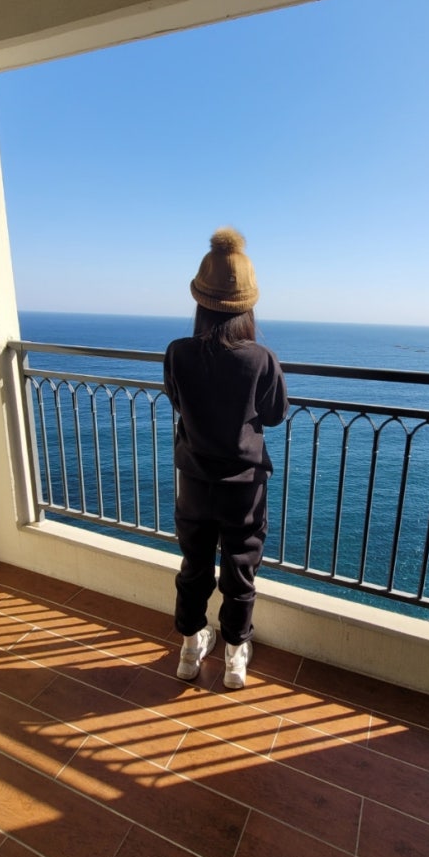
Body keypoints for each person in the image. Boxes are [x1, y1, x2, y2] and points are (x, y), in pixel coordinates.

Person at [163, 227, 288, 689]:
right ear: (247, 306)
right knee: (240, 568)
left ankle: (190, 648)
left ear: (201, 302)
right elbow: (274, 414)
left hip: (194, 482)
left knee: (194, 565)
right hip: (243, 488)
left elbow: (178, 401)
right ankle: (235, 657)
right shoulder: (260, 359)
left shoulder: (178, 353)